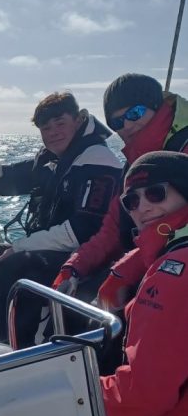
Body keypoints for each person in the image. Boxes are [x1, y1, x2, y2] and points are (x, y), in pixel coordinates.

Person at [0, 92, 122, 344]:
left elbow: (84, 230)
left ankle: (25, 349)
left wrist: (20, 247)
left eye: (60, 123)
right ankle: (7, 335)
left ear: (79, 119)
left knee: (16, 265)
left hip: (84, 256)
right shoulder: (52, 159)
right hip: (48, 248)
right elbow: (7, 181)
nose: (53, 132)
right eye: (45, 128)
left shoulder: (99, 159)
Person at [54, 74, 188, 297]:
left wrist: (124, 272)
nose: (126, 125)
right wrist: (73, 267)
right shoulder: (132, 166)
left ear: (156, 106)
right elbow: (112, 231)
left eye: (135, 113)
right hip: (146, 260)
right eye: (116, 122)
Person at [98, 151, 188, 416]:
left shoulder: (173, 274)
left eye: (155, 193)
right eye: (131, 201)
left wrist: (77, 392)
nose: (143, 207)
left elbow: (144, 394)